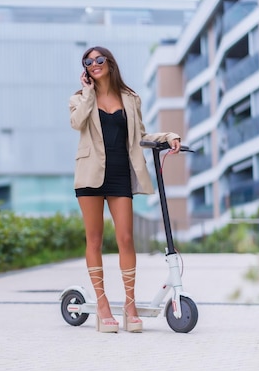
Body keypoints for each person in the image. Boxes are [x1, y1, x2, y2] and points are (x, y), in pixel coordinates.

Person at [69, 46, 181, 333]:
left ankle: (130, 305)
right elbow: (76, 122)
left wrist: (168, 137)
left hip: (120, 174)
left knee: (126, 238)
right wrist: (89, 93)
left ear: (110, 63)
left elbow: (140, 135)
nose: (94, 64)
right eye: (88, 61)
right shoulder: (80, 98)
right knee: (94, 240)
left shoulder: (131, 99)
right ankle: (103, 305)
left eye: (99, 60)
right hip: (90, 175)